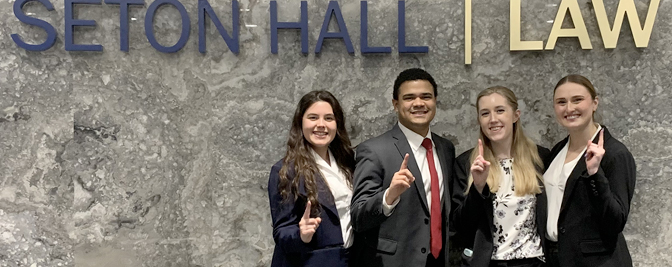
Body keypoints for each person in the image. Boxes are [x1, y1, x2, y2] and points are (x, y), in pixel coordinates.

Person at [350, 68, 455, 267]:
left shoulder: (445, 148)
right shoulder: (374, 150)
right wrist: (388, 196)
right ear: (395, 105)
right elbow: (358, 217)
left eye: (426, 96)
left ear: (435, 101)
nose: (418, 103)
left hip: (439, 261)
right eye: (409, 98)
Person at [543, 74, 636, 267]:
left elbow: (615, 221)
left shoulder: (615, 154)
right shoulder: (557, 151)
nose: (569, 108)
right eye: (561, 102)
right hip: (556, 259)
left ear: (594, 103)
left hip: (597, 262)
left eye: (577, 100)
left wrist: (595, 174)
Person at [452, 86, 549, 267]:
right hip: (489, 263)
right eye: (485, 113)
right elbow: (459, 227)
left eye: (500, 111)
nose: (493, 119)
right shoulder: (466, 163)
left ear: (515, 115)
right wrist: (478, 188)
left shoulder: (541, 158)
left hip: (533, 262)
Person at [268, 90, 356, 267]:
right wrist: (301, 234)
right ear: (300, 123)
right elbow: (282, 232)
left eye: (329, 118)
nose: (321, 125)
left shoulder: (348, 163)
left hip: (351, 259)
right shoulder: (285, 170)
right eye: (313, 117)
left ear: (337, 124)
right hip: (311, 261)